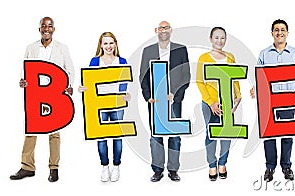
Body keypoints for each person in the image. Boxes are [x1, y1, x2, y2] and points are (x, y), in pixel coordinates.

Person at [10, 16, 75, 182]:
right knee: (31, 130)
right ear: (39, 29)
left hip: (54, 95)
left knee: (54, 133)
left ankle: (54, 168)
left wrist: (69, 86)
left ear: (54, 29)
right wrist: (22, 81)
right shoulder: (31, 48)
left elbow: (70, 70)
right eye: (43, 26)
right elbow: (25, 69)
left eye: (50, 26)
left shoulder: (62, 48)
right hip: (35, 95)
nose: (47, 29)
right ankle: (27, 167)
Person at [250, 19, 295, 182]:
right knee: (269, 135)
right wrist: (256, 89)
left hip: (288, 100)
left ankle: (286, 166)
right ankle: (270, 167)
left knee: (287, 134)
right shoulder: (264, 53)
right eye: (276, 30)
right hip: (270, 102)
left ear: (287, 33)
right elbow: (260, 75)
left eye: (282, 30)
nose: (279, 32)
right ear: (272, 33)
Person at [139, 21, 190, 182]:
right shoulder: (148, 51)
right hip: (155, 101)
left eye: (166, 27)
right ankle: (157, 169)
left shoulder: (181, 49)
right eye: (161, 28)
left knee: (174, 135)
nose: (163, 30)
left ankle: (173, 170)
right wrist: (148, 97)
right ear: (156, 31)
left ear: (171, 30)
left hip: (173, 100)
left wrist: (175, 94)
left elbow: (186, 76)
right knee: (156, 136)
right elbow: (143, 76)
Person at [78, 32, 131, 182]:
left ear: (115, 44)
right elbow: (89, 82)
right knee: (101, 137)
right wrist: (82, 88)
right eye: (105, 43)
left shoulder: (122, 61)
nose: (108, 46)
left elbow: (125, 84)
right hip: (99, 105)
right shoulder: (95, 62)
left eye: (111, 43)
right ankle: (104, 167)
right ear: (101, 45)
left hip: (116, 104)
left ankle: (116, 166)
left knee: (117, 136)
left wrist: (127, 95)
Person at [196, 27, 242, 181]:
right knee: (211, 135)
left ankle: (223, 163)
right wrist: (211, 103)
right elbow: (200, 82)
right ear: (210, 39)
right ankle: (211, 164)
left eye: (222, 38)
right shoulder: (203, 58)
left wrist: (238, 96)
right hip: (210, 104)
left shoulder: (230, 56)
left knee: (226, 134)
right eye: (216, 38)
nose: (219, 41)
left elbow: (235, 78)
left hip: (227, 102)